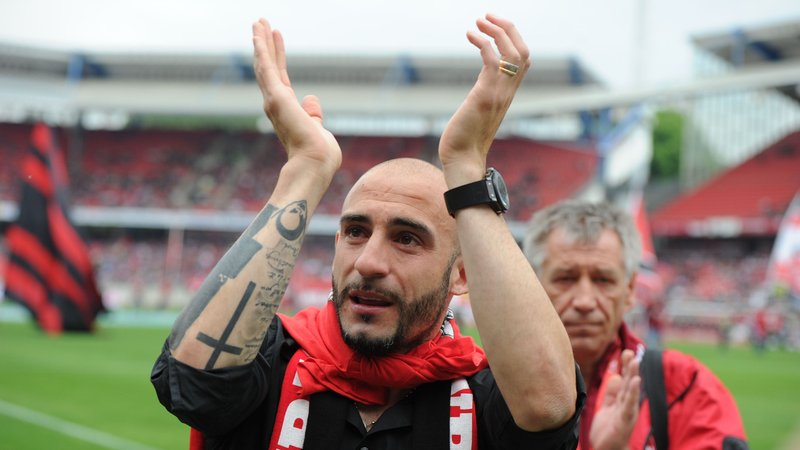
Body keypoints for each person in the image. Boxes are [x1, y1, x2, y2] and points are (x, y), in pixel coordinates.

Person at [152, 14, 585, 450]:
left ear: (463, 275)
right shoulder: (269, 360)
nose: (369, 262)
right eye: (356, 232)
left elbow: (547, 410)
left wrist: (467, 165)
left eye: (407, 239)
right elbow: (191, 383)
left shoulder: (484, 394)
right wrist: (306, 168)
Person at [522, 199, 749, 450]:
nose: (584, 301)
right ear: (534, 285)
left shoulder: (687, 387)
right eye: (566, 278)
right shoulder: (487, 386)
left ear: (630, 289)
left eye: (603, 279)